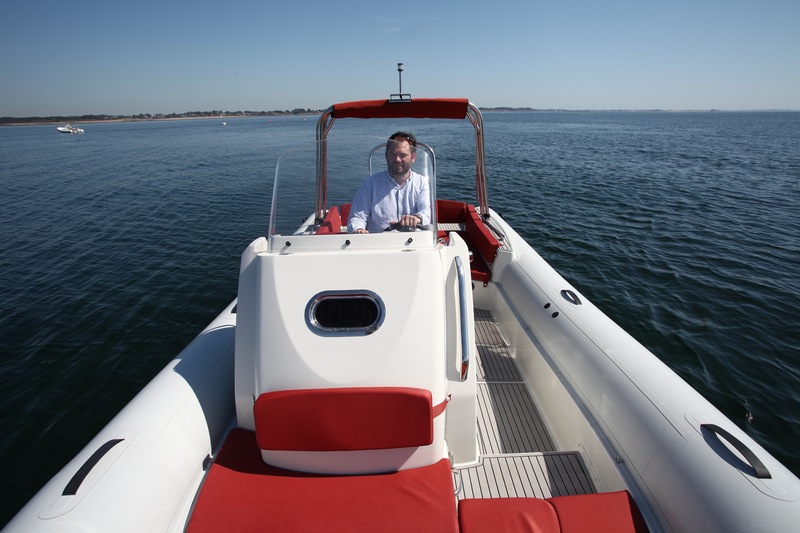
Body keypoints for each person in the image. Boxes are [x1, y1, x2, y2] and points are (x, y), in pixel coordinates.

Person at [347, 132, 431, 233]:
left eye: (403, 155)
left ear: (413, 158)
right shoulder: (370, 184)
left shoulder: (421, 182)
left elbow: (426, 213)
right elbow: (357, 217)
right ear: (386, 155)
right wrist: (358, 229)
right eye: (393, 154)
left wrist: (416, 218)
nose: (397, 159)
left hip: (412, 242)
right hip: (380, 244)